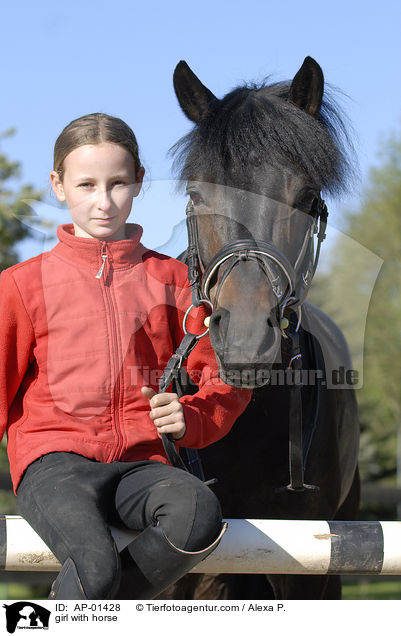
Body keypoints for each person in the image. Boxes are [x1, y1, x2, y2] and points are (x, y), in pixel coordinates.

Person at [0, 113, 252, 600]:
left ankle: (96, 615)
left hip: (144, 461)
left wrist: (192, 414)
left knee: (200, 514)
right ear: (58, 185)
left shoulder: (176, 281)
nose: (103, 200)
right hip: (55, 464)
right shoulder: (20, 284)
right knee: (94, 566)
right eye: (87, 185)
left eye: (117, 183)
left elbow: (225, 376)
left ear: (139, 182)